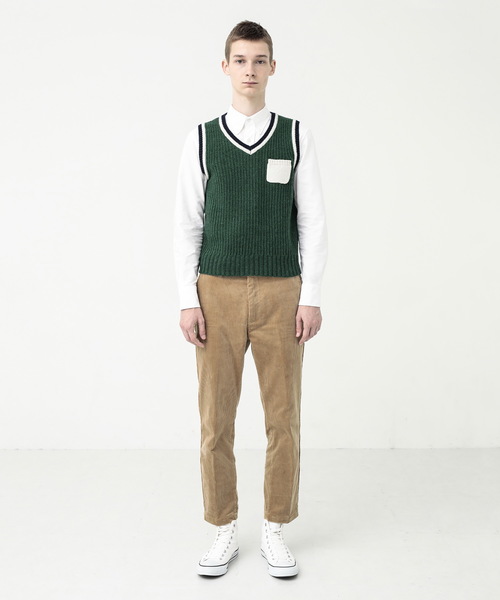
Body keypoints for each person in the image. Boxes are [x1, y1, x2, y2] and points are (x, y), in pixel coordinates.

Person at [174, 20, 328, 578]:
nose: (250, 70)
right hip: (215, 292)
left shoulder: (294, 135)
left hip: (282, 292)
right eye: (240, 60)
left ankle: (275, 528)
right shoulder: (202, 138)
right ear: (225, 67)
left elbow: (312, 221)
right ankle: (223, 528)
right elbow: (187, 224)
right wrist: (187, 298)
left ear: (273, 67)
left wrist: (310, 295)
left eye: (259, 60)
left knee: (283, 418)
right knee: (215, 420)